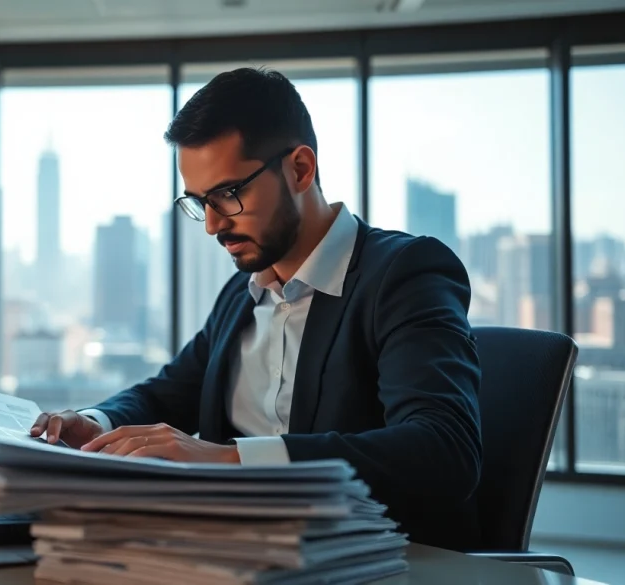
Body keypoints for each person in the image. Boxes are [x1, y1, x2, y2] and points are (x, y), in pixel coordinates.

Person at [29, 67, 482, 552]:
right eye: (201, 202)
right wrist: (98, 422)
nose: (212, 226)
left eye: (228, 194)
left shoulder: (404, 274)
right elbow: (168, 393)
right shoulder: (240, 295)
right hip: (226, 552)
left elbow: (443, 451)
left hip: (356, 561)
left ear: (300, 169)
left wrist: (228, 460)